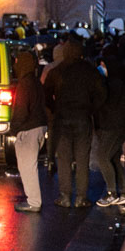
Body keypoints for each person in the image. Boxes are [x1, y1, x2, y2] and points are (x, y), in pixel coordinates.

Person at [44, 38, 106, 207]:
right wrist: (91, 109)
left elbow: (46, 94)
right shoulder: (90, 71)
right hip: (82, 117)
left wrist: (55, 108)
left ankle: (64, 195)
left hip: (62, 118)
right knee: (82, 158)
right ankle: (81, 197)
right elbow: (101, 94)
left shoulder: (57, 71)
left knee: (63, 158)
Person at [8, 50, 48, 212]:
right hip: (39, 126)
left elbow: (21, 109)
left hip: (28, 129)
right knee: (29, 166)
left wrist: (14, 128)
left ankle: (33, 202)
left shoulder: (25, 83)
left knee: (27, 167)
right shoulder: (36, 81)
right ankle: (33, 200)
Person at [93, 51, 125, 206]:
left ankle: (111, 193)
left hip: (113, 126)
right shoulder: (118, 82)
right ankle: (123, 191)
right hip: (119, 124)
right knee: (114, 158)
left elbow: (104, 104)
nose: (101, 68)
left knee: (102, 156)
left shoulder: (112, 84)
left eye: (103, 65)